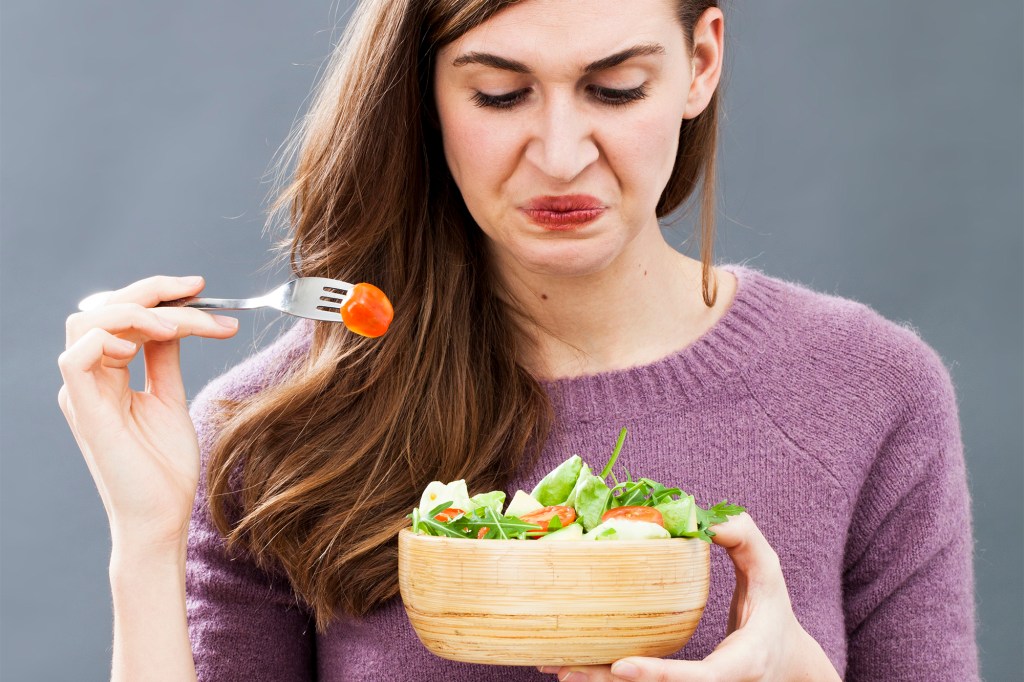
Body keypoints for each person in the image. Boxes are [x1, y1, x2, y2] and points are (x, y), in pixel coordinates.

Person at [57, 0, 979, 680]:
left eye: (616, 89)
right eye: (500, 95)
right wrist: (148, 539)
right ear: (424, 94)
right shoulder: (273, 431)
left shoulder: (874, 389)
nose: (560, 152)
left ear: (701, 61)